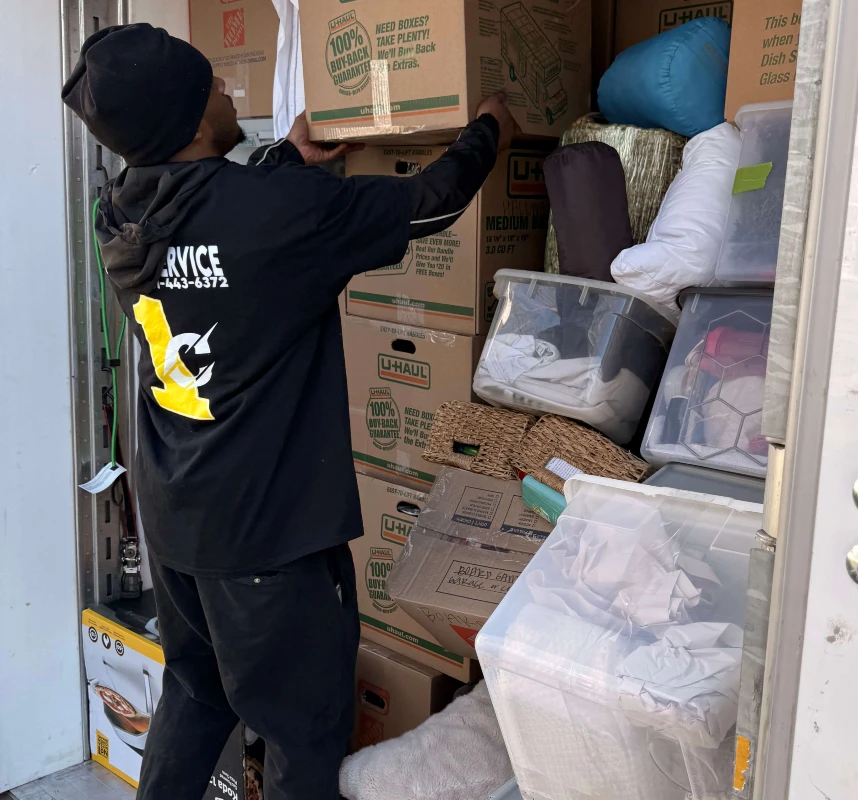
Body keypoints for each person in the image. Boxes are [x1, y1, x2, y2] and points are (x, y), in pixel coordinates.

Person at [61, 23, 518, 800]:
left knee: (198, 696)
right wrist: (490, 130)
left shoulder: (122, 214)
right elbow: (430, 203)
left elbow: (212, 216)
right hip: (268, 543)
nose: (229, 91)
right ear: (192, 123)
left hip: (177, 523)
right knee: (303, 738)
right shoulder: (281, 217)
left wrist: (279, 162)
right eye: (212, 86)